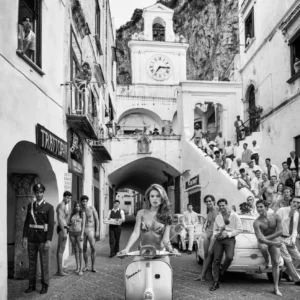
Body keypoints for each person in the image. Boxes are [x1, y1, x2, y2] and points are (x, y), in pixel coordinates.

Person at [119, 184, 177, 260]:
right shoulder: (141, 213)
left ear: (162, 198)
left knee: (167, 270)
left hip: (160, 253)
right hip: (143, 252)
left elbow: (165, 239)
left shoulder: (167, 216)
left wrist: (171, 250)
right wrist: (127, 249)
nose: (155, 199)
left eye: (158, 196)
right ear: (148, 198)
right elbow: (136, 233)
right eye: (152, 196)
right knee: (133, 269)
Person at [22, 183, 54, 294]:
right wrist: (24, 237)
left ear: (43, 193)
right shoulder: (30, 206)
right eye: (37, 192)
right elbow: (27, 222)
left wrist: (49, 240)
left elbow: (50, 225)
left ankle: (45, 285)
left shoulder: (49, 207)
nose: (39, 194)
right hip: (31, 239)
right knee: (32, 263)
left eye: (41, 192)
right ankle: (32, 285)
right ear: (34, 193)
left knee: (44, 263)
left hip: (42, 240)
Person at [210, 198, 243, 291]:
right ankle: (216, 282)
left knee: (229, 257)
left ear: (226, 205)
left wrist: (228, 234)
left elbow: (240, 229)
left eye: (223, 205)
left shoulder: (234, 216)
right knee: (216, 259)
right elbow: (215, 229)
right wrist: (216, 234)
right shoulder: (218, 217)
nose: (221, 207)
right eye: (220, 206)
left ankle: (222, 270)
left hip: (229, 238)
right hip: (219, 239)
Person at [253, 200, 283, 296]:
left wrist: (267, 239)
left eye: (261, 206)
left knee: (276, 261)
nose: (259, 209)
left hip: (273, 239)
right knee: (263, 246)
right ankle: (266, 261)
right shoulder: (256, 222)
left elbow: (280, 231)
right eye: (257, 207)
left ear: (266, 207)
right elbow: (260, 240)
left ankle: (276, 287)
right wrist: (270, 241)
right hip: (265, 241)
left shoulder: (276, 216)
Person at [194, 195, 218, 281]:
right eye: (207, 201)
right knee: (206, 254)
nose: (208, 203)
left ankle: (204, 275)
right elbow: (208, 225)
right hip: (208, 235)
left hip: (214, 235)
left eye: (210, 201)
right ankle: (203, 275)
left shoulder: (218, 210)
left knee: (209, 254)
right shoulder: (209, 213)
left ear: (213, 201)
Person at [276, 198, 300, 285]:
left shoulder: (297, 213)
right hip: (279, 238)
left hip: (289, 239)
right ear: (290, 202)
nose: (296, 204)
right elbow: (277, 225)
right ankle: (297, 279)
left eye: (298, 203)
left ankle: (285, 271)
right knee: (288, 259)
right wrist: (289, 216)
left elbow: (294, 228)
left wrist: (293, 239)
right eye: (294, 202)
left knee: (298, 257)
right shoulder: (281, 210)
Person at [80, 195, 99, 272]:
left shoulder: (91, 208)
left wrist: (97, 230)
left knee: (93, 247)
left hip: (91, 229)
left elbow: (97, 219)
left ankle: (93, 267)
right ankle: (86, 266)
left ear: (87, 201)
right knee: (84, 248)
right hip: (83, 230)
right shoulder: (80, 209)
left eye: (85, 201)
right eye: (83, 201)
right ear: (81, 202)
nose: (84, 203)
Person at [56, 191, 72, 276]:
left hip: (64, 228)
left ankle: (60, 269)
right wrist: (64, 231)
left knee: (60, 250)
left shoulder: (64, 205)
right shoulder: (62, 205)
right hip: (63, 229)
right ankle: (60, 271)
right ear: (64, 197)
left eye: (70, 198)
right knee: (61, 250)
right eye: (68, 197)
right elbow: (60, 219)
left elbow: (64, 219)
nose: (69, 199)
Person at [68, 201, 86, 275]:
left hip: (79, 233)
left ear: (80, 207)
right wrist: (71, 223)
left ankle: (81, 268)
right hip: (72, 232)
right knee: (75, 249)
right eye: (76, 206)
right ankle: (77, 266)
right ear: (74, 207)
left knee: (81, 249)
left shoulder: (82, 214)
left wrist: (82, 234)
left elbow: (83, 225)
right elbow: (68, 223)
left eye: (79, 206)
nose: (77, 207)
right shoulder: (72, 214)